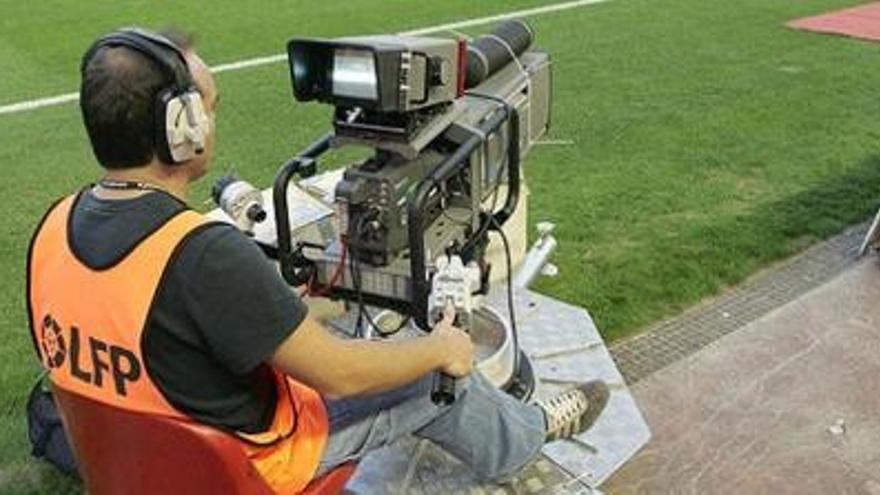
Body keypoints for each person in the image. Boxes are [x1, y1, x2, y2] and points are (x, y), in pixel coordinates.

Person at [26, 27, 609, 493]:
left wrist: (316, 304)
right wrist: (440, 348)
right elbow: (340, 373)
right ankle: (528, 435)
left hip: (139, 467)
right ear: (182, 128)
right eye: (207, 108)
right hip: (251, 470)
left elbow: (171, 334)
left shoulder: (53, 227)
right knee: (437, 379)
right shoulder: (202, 254)